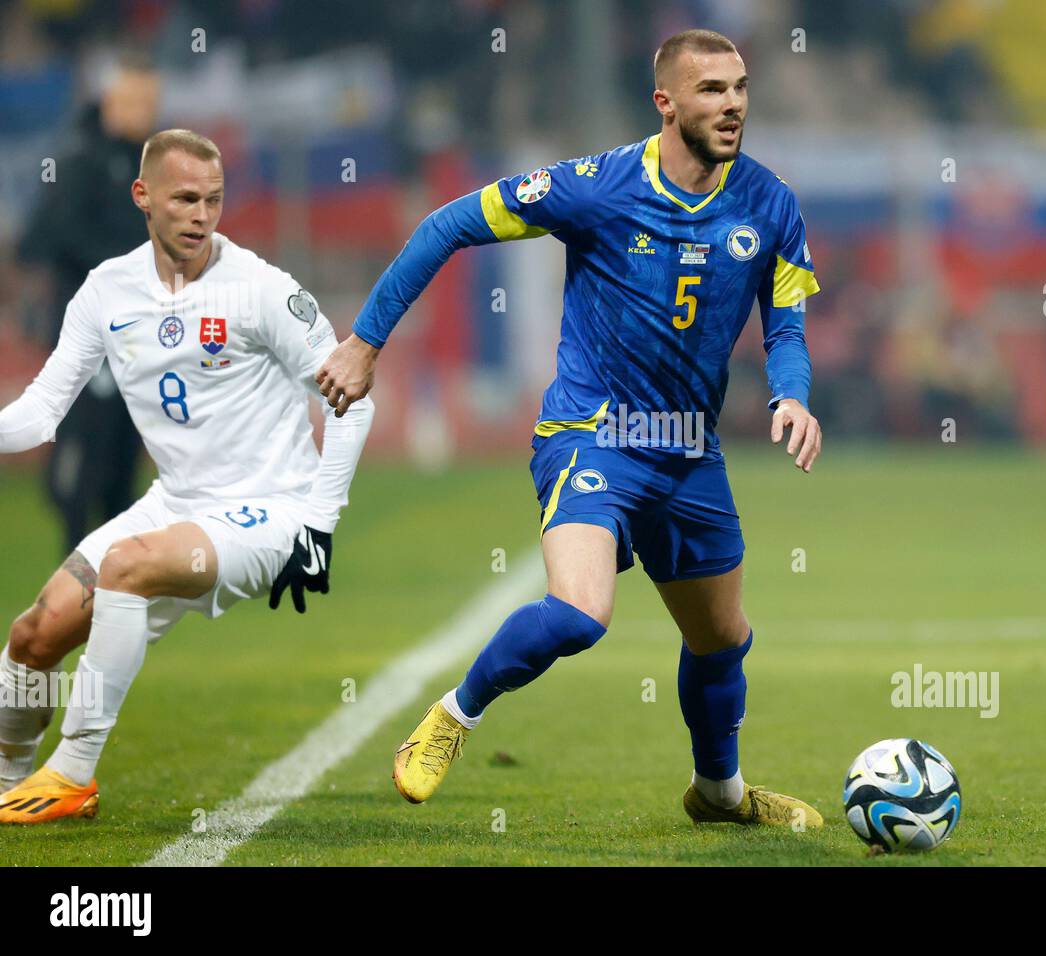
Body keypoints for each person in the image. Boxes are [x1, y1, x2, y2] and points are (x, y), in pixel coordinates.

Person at [317, 30, 823, 828]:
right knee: (581, 614)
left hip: (691, 451)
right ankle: (455, 714)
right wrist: (364, 341)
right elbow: (449, 224)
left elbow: (786, 325)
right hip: (595, 432)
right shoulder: (597, 187)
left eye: (740, 87)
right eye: (712, 91)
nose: (732, 106)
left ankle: (719, 794)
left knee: (723, 640)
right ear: (666, 102)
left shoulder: (770, 203)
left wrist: (789, 396)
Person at [0, 130, 374, 823]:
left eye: (213, 199)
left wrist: (318, 526)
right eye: (185, 199)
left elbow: (354, 399)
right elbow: (42, 412)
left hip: (271, 511)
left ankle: (74, 770)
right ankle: (8, 779)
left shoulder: (261, 290)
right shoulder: (106, 292)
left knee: (125, 564)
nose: (202, 215)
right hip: (176, 503)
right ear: (143, 198)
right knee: (33, 635)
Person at [17, 57, 159, 555]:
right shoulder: (79, 160)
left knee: (125, 450)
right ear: (110, 103)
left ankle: (115, 564)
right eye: (135, 101)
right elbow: (44, 238)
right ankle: (75, 554)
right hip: (91, 335)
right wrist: (127, 265)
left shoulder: (153, 164)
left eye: (150, 101)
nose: (145, 111)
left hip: (139, 335)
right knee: (87, 448)